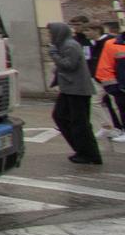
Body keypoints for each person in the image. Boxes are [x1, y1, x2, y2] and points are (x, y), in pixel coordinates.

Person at [49, 21, 105, 164]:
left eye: (51, 32)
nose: (50, 35)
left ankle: (89, 154)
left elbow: (69, 65)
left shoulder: (70, 45)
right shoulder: (65, 45)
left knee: (80, 123)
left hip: (77, 90)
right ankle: (82, 149)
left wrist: (54, 55)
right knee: (60, 116)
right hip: (69, 88)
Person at [96, 23, 125, 141]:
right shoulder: (112, 44)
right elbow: (105, 66)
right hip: (121, 86)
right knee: (123, 108)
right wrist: (113, 87)